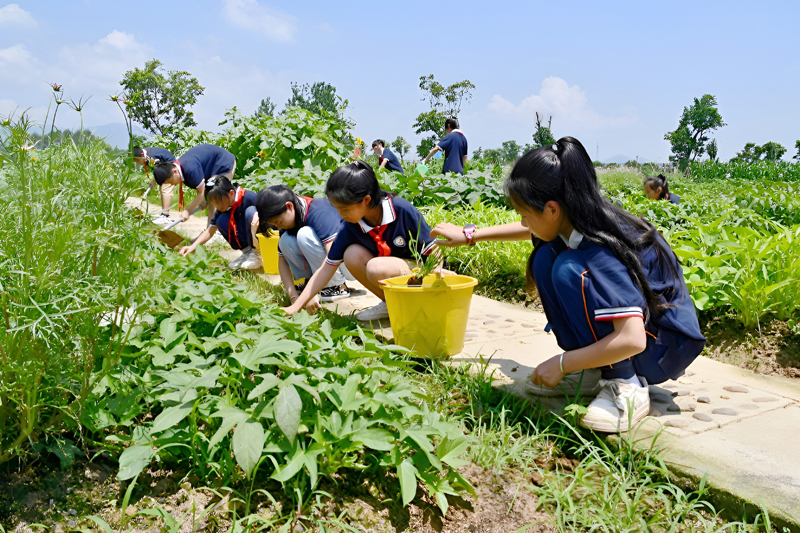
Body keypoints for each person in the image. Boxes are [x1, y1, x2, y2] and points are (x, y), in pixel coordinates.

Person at [431, 137, 705, 433]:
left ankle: (625, 385)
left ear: (551, 209)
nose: (524, 222)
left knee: (569, 269)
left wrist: (563, 363)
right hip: (646, 335)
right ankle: (595, 370)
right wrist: (470, 235)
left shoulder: (600, 250)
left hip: (659, 347)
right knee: (546, 258)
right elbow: (529, 231)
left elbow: (632, 339)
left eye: (525, 215)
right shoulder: (576, 217)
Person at [282, 160, 439, 321]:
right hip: (390, 271)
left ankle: (414, 303)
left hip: (421, 272)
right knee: (352, 255)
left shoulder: (400, 209)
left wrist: (437, 276)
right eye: (337, 209)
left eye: (345, 209)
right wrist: (296, 305)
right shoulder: (351, 226)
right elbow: (326, 268)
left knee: (376, 267)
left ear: (366, 200)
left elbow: (434, 248)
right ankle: (390, 303)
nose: (341, 214)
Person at [255, 184, 351, 305]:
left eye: (278, 222)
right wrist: (293, 296)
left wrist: (311, 292)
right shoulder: (289, 217)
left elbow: (333, 255)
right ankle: (312, 282)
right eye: (275, 224)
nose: (278, 226)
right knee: (285, 241)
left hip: (347, 261)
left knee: (304, 234)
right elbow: (282, 261)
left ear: (289, 206)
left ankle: (336, 286)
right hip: (331, 262)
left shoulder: (318, 210)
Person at [179, 176, 262, 270]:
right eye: (214, 202)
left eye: (218, 201)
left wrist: (259, 216)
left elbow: (270, 211)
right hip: (249, 238)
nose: (216, 206)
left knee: (251, 212)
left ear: (231, 193)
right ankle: (247, 252)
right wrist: (193, 246)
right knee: (221, 220)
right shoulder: (224, 207)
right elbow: (210, 230)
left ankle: (258, 254)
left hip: (264, 237)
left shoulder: (249, 197)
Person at [152, 144, 237, 227]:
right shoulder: (182, 170)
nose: (172, 184)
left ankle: (215, 230)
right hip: (212, 167)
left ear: (174, 171)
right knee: (212, 198)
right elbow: (201, 190)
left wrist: (187, 211)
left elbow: (201, 193)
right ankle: (211, 229)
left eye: (170, 182)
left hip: (224, 162)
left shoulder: (190, 169)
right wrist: (200, 202)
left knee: (217, 196)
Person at [133, 146, 176, 225]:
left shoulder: (151, 157)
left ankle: (165, 216)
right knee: (163, 189)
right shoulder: (146, 155)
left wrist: (155, 180)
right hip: (165, 168)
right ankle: (164, 214)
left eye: (137, 161)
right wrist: (155, 180)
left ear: (140, 158)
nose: (138, 163)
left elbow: (160, 168)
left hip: (171, 168)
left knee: (166, 189)